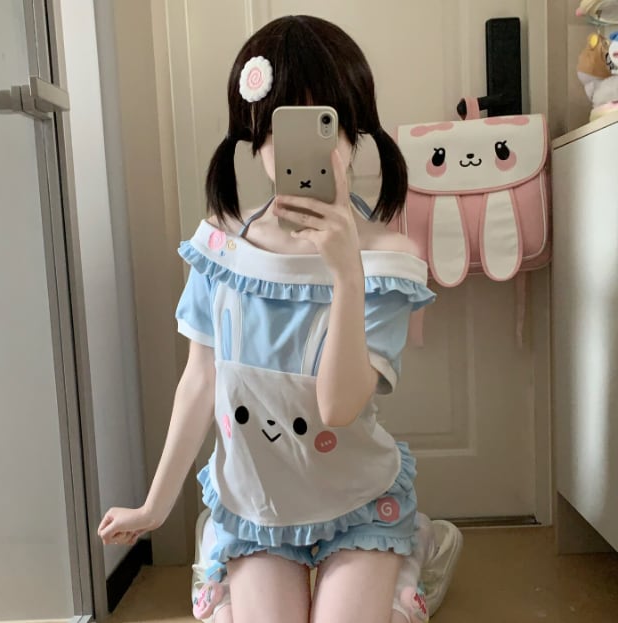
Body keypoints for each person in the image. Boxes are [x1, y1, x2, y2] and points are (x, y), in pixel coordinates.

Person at [98, 14, 462, 623]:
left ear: (354, 130)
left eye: (325, 124)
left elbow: (338, 408)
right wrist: (154, 506)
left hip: (357, 502)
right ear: (253, 135)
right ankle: (226, 563)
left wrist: (347, 274)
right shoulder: (220, 248)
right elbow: (199, 380)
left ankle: (413, 556)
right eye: (279, 128)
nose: (303, 150)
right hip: (257, 508)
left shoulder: (388, 260)